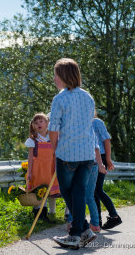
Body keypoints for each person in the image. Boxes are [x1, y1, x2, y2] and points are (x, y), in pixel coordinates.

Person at [49, 58, 97, 249]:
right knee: (78, 192)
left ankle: (76, 234)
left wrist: (56, 149)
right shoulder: (88, 97)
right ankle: (83, 230)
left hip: (67, 153)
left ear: (64, 76)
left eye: (56, 74)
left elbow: (53, 129)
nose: (54, 78)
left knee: (69, 193)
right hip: (87, 152)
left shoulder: (59, 98)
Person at [66, 134, 107, 233]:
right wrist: (100, 165)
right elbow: (96, 149)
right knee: (89, 197)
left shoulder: (75, 132)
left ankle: (72, 221)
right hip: (93, 165)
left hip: (81, 166)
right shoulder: (91, 132)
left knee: (76, 194)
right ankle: (95, 224)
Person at [24, 113, 60, 223]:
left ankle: (50, 212)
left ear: (47, 123)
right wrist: (29, 172)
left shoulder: (53, 137)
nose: (39, 124)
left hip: (50, 168)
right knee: (40, 189)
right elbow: (30, 157)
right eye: (36, 122)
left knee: (50, 189)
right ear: (33, 125)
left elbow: (56, 153)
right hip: (38, 169)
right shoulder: (33, 139)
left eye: (41, 121)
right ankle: (40, 212)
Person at [93, 113, 122, 229]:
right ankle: (97, 221)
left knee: (97, 189)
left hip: (102, 157)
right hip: (90, 158)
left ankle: (114, 216)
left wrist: (108, 159)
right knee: (93, 191)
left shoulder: (97, 122)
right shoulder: (81, 123)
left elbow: (107, 140)